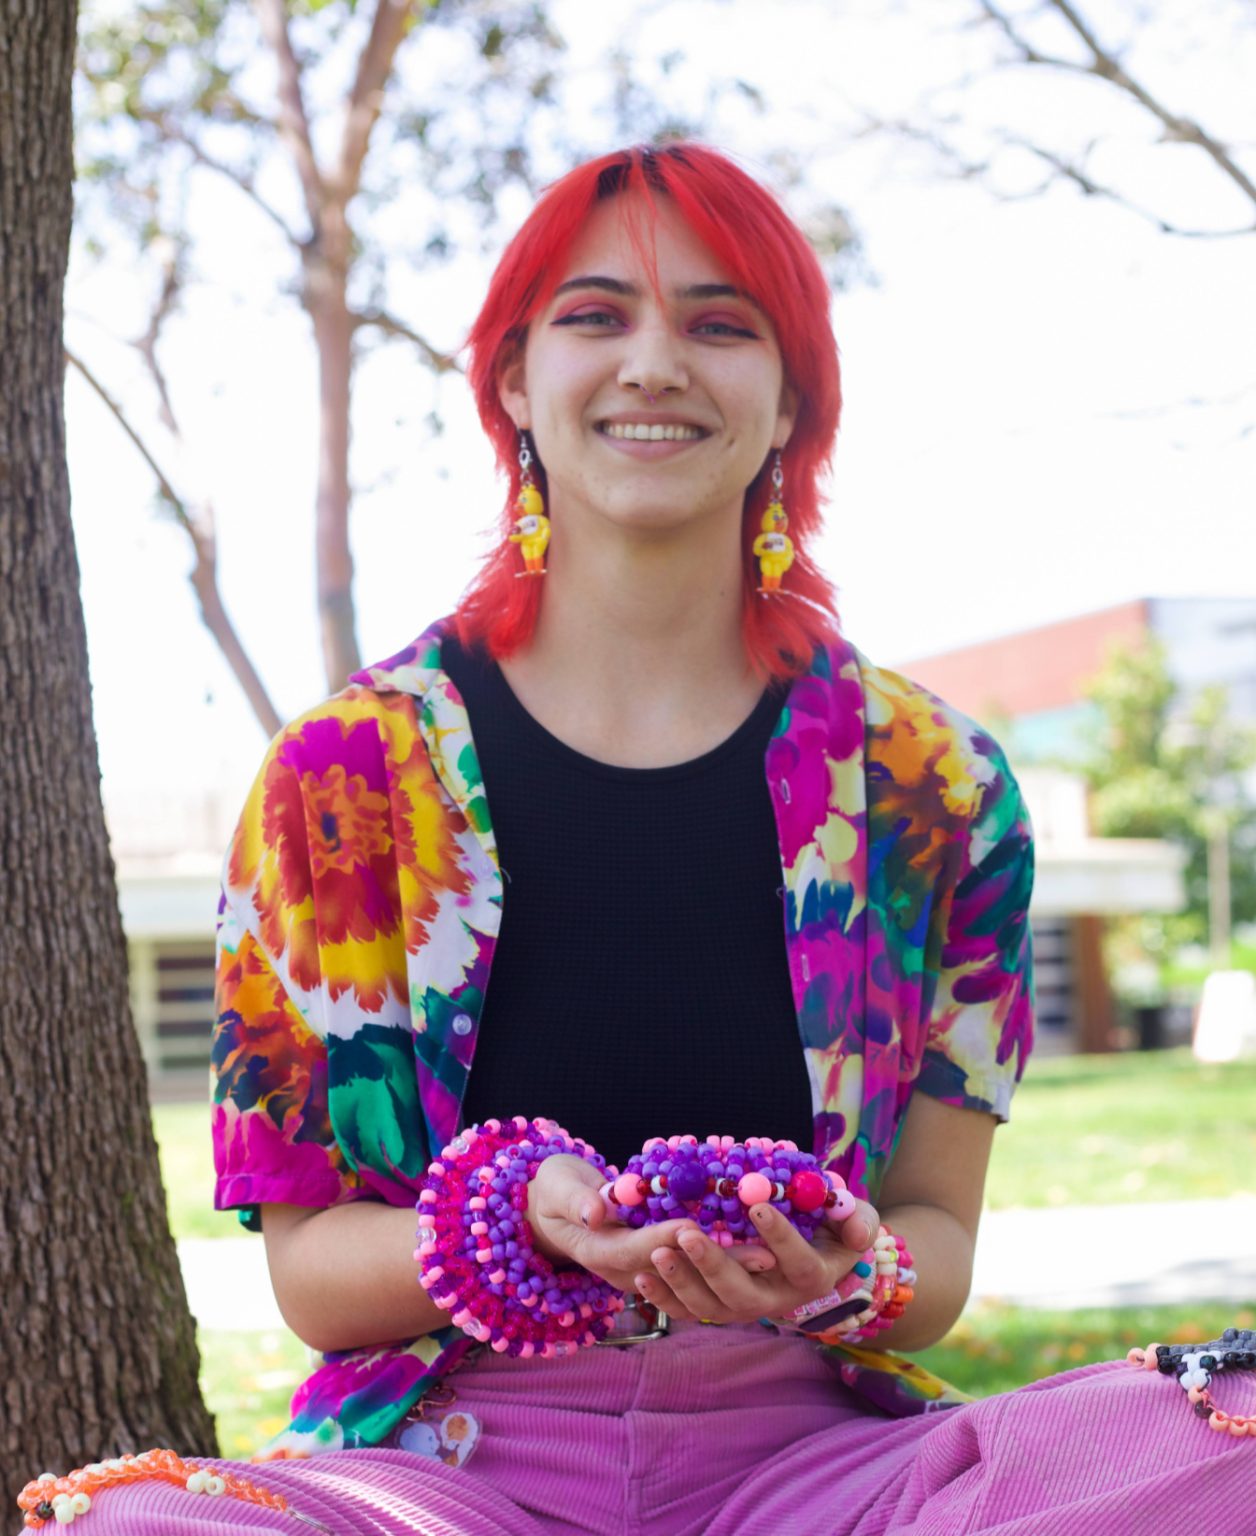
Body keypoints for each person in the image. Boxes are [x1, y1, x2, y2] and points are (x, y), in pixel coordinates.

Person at [21, 143, 1255, 1536]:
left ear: (790, 399)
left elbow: (941, 1239)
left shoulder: (934, 787)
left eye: (721, 324)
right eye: (597, 316)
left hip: (818, 1476)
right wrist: (508, 1228)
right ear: (513, 384)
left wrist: (842, 1273)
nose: (655, 364)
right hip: (446, 1472)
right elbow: (309, 1273)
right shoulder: (347, 778)